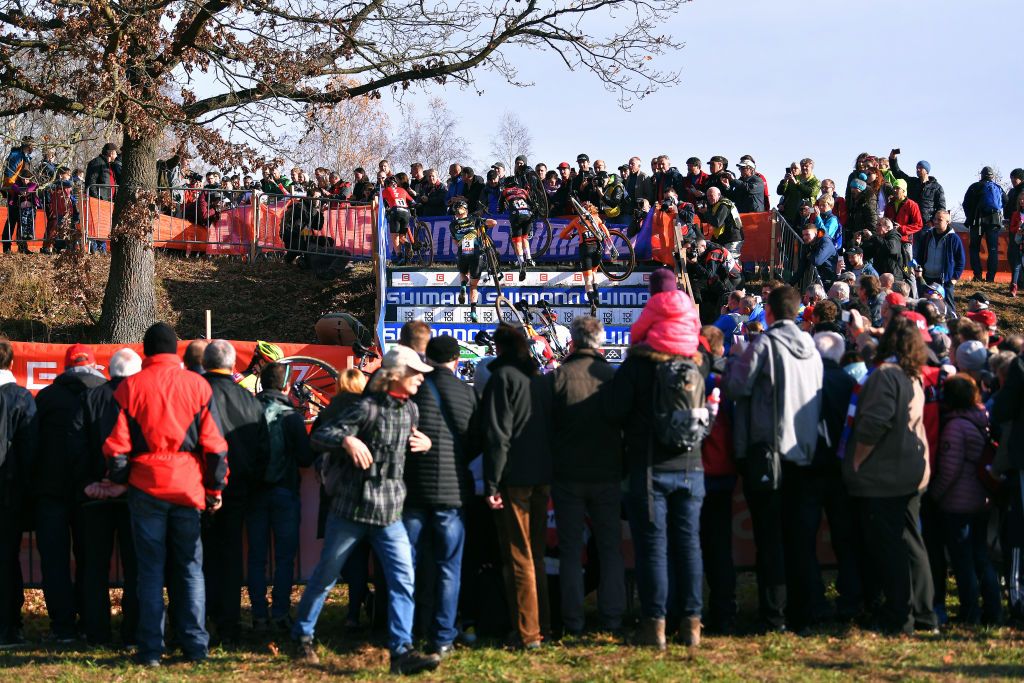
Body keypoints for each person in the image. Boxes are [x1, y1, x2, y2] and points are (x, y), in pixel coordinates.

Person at [292, 346, 439, 675]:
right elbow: (322, 435)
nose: (420, 379)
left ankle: (401, 652)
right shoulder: (365, 408)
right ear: (395, 377)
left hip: (389, 513)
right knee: (325, 578)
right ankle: (302, 637)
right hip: (351, 511)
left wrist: (425, 444)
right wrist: (347, 441)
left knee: (403, 579)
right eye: (414, 373)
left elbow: (410, 441)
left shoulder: (410, 410)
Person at [102, 322, 229, 666]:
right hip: (188, 487)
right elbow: (215, 447)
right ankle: (194, 646)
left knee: (150, 572)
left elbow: (116, 448)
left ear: (145, 351)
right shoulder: (197, 386)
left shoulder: (130, 388)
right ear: (175, 350)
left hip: (145, 487)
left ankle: (150, 649)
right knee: (190, 569)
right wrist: (214, 488)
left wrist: (122, 478)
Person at [606, 268, 705, 649]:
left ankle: (655, 627)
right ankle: (692, 624)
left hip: (648, 467)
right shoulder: (698, 361)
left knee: (654, 548)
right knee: (689, 545)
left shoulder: (638, 364)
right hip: (691, 464)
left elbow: (614, 411)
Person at [724, 285, 823, 633]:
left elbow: (736, 387)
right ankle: (804, 612)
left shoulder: (764, 345)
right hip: (805, 451)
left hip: (768, 453)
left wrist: (736, 358)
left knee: (770, 539)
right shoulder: (811, 347)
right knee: (799, 537)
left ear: (768, 312)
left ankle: (774, 616)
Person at [843, 316, 936, 635]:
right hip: (911, 472)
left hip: (885, 474)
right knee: (912, 542)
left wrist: (857, 459)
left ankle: (900, 616)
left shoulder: (886, 376)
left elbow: (874, 423)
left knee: (892, 547)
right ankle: (923, 613)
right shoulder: (913, 375)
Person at [546, 317, 625, 637]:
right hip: (607, 473)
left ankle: (573, 621)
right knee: (610, 549)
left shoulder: (560, 376)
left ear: (573, 343)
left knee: (569, 550)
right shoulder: (612, 377)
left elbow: (547, 427)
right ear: (600, 343)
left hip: (567, 476)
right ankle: (613, 617)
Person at [403, 335, 480, 658]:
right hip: (453, 493)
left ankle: (411, 629)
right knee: (449, 567)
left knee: (410, 564)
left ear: (427, 359)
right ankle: (443, 635)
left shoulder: (414, 389)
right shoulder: (468, 393)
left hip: (414, 491)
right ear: (457, 361)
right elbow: (476, 442)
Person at [482, 324, 553, 650]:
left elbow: (498, 435)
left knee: (518, 557)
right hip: (542, 474)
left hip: (515, 478)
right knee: (536, 555)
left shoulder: (502, 378)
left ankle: (527, 633)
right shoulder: (537, 379)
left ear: (499, 348)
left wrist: (492, 481)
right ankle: (542, 626)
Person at [33, 343, 108, 642]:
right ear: (93, 365)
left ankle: (62, 626)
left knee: (54, 561)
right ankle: (92, 622)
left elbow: (32, 443)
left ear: (65, 368)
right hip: (93, 490)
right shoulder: (104, 395)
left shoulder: (47, 397)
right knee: (91, 560)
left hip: (51, 491)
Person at [197, 340, 266, 642]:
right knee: (230, 556)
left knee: (195, 557)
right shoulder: (249, 398)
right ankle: (229, 622)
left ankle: (197, 619)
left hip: (197, 487)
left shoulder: (194, 392)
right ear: (231, 364)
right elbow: (263, 447)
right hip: (238, 488)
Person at [74, 348, 142, 646]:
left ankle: (97, 631)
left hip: (96, 495)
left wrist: (91, 482)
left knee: (94, 567)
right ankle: (134, 631)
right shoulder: (142, 398)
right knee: (136, 567)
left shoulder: (90, 397)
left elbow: (76, 446)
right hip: (134, 494)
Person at [930, 374, 1001, 625]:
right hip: (980, 498)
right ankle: (993, 609)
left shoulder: (955, 427)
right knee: (980, 555)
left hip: (958, 502)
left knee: (963, 559)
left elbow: (949, 470)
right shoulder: (982, 419)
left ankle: (970, 611)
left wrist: (935, 495)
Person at [249, 362, 314, 632]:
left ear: (261, 383)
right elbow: (305, 458)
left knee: (256, 557)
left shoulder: (247, 412)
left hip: (254, 494)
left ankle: (258, 614)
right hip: (285, 492)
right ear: (286, 386)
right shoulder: (291, 417)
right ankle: (280, 612)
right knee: (285, 558)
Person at [697, 327, 737, 634]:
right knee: (720, 547)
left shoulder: (696, 379)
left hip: (700, 472)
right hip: (723, 471)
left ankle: (696, 610)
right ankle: (724, 610)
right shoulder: (731, 379)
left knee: (693, 547)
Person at [0, 339, 37, 648]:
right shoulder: (21, 398)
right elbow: (31, 451)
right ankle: (10, 625)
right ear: (12, 364)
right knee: (7, 558)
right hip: (10, 493)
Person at [559, 201, 613, 315]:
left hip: (585, 249)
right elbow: (607, 234)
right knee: (594, 272)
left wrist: (571, 237)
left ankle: (592, 302)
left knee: (587, 279)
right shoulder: (596, 218)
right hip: (597, 248)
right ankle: (597, 296)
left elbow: (562, 235)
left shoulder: (577, 220)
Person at [449, 197, 497, 323]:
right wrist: (482, 222)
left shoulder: (452, 225)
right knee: (474, 285)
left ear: (456, 212)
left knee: (463, 274)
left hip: (462, 253)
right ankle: (473, 312)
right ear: (466, 210)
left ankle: (463, 286)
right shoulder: (474, 219)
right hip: (476, 253)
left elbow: (455, 241)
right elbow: (494, 223)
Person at [913, 210, 965, 317]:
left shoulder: (954, 239)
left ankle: (952, 326)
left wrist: (954, 278)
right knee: (925, 305)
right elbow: (920, 255)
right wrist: (919, 269)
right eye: (935, 219)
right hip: (927, 278)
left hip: (945, 281)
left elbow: (961, 260)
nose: (935, 221)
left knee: (948, 306)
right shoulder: (927, 236)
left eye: (939, 219)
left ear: (947, 222)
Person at [962, 167, 1006, 282]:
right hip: (994, 221)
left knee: (974, 248)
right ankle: (991, 278)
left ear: (981, 175)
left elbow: (965, 203)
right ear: (992, 176)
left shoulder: (974, 187)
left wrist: (970, 217)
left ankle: (977, 276)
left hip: (978, 221)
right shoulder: (998, 188)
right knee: (993, 249)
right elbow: (1006, 202)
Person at [883, 179, 924, 292]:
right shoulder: (889, 205)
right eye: (894, 188)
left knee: (909, 271)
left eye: (897, 188)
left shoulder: (912, 205)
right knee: (892, 269)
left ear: (904, 190)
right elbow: (886, 220)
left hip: (906, 244)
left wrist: (902, 228)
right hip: (892, 242)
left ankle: (914, 298)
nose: (895, 190)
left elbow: (919, 224)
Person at [889, 153, 945, 226]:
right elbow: (897, 173)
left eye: (920, 167)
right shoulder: (912, 182)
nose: (917, 169)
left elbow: (941, 207)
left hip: (926, 224)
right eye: (917, 168)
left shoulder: (937, 187)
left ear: (927, 170)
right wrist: (893, 159)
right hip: (910, 222)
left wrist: (932, 221)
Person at [498, 176, 537, 278]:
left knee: (517, 240)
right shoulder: (523, 190)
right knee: (525, 237)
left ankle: (521, 262)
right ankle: (529, 258)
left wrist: (501, 210)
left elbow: (500, 205)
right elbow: (531, 203)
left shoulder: (505, 191)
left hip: (516, 215)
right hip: (528, 214)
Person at [792, 224, 837, 291]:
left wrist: (810, 254)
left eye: (807, 234)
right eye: (803, 235)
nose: (804, 237)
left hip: (830, 279)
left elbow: (817, 261)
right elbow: (801, 268)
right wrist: (789, 283)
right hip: (819, 278)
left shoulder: (826, 242)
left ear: (816, 234)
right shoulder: (808, 244)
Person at [701, 187, 744, 258]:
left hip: (732, 239)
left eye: (711, 195)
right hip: (724, 238)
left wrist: (706, 212)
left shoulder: (724, 205)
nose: (709, 198)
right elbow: (709, 220)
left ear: (719, 195)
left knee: (731, 262)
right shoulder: (717, 204)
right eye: (708, 196)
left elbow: (717, 223)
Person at [777, 158, 821, 228]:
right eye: (802, 166)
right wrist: (784, 181)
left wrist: (797, 183)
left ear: (811, 167)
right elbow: (780, 192)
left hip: (805, 216)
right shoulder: (794, 178)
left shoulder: (816, 181)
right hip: (789, 215)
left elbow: (810, 192)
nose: (804, 167)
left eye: (806, 166)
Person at [861, 218, 903, 283]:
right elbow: (866, 254)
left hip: (893, 278)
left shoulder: (895, 236)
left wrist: (873, 237)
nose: (876, 227)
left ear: (888, 228)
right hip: (880, 276)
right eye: (876, 225)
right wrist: (858, 243)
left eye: (879, 225)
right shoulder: (878, 238)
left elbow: (891, 249)